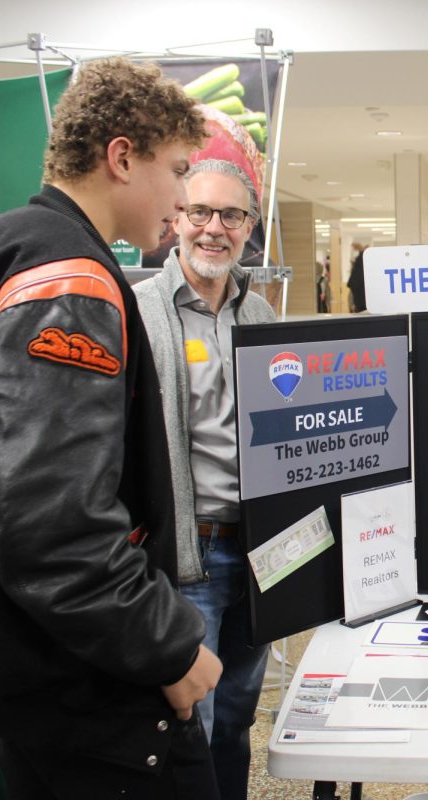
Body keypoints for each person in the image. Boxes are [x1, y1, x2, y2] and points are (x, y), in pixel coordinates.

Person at [0, 58, 223, 799]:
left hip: (19, 671)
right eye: (176, 170)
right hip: (80, 690)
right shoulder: (67, 279)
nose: (182, 201)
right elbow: (53, 529)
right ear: (121, 157)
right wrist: (171, 649)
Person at [134, 158, 276, 800]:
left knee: (240, 714)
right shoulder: (139, 313)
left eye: (232, 215)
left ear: (249, 226)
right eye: (201, 212)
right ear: (177, 219)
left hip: (263, 551)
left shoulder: (263, 316)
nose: (214, 229)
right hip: (190, 554)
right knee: (193, 719)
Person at [347, 243, 367, 311]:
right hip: (360, 301)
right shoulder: (359, 266)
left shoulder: (360, 265)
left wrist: (361, 251)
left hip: (362, 301)